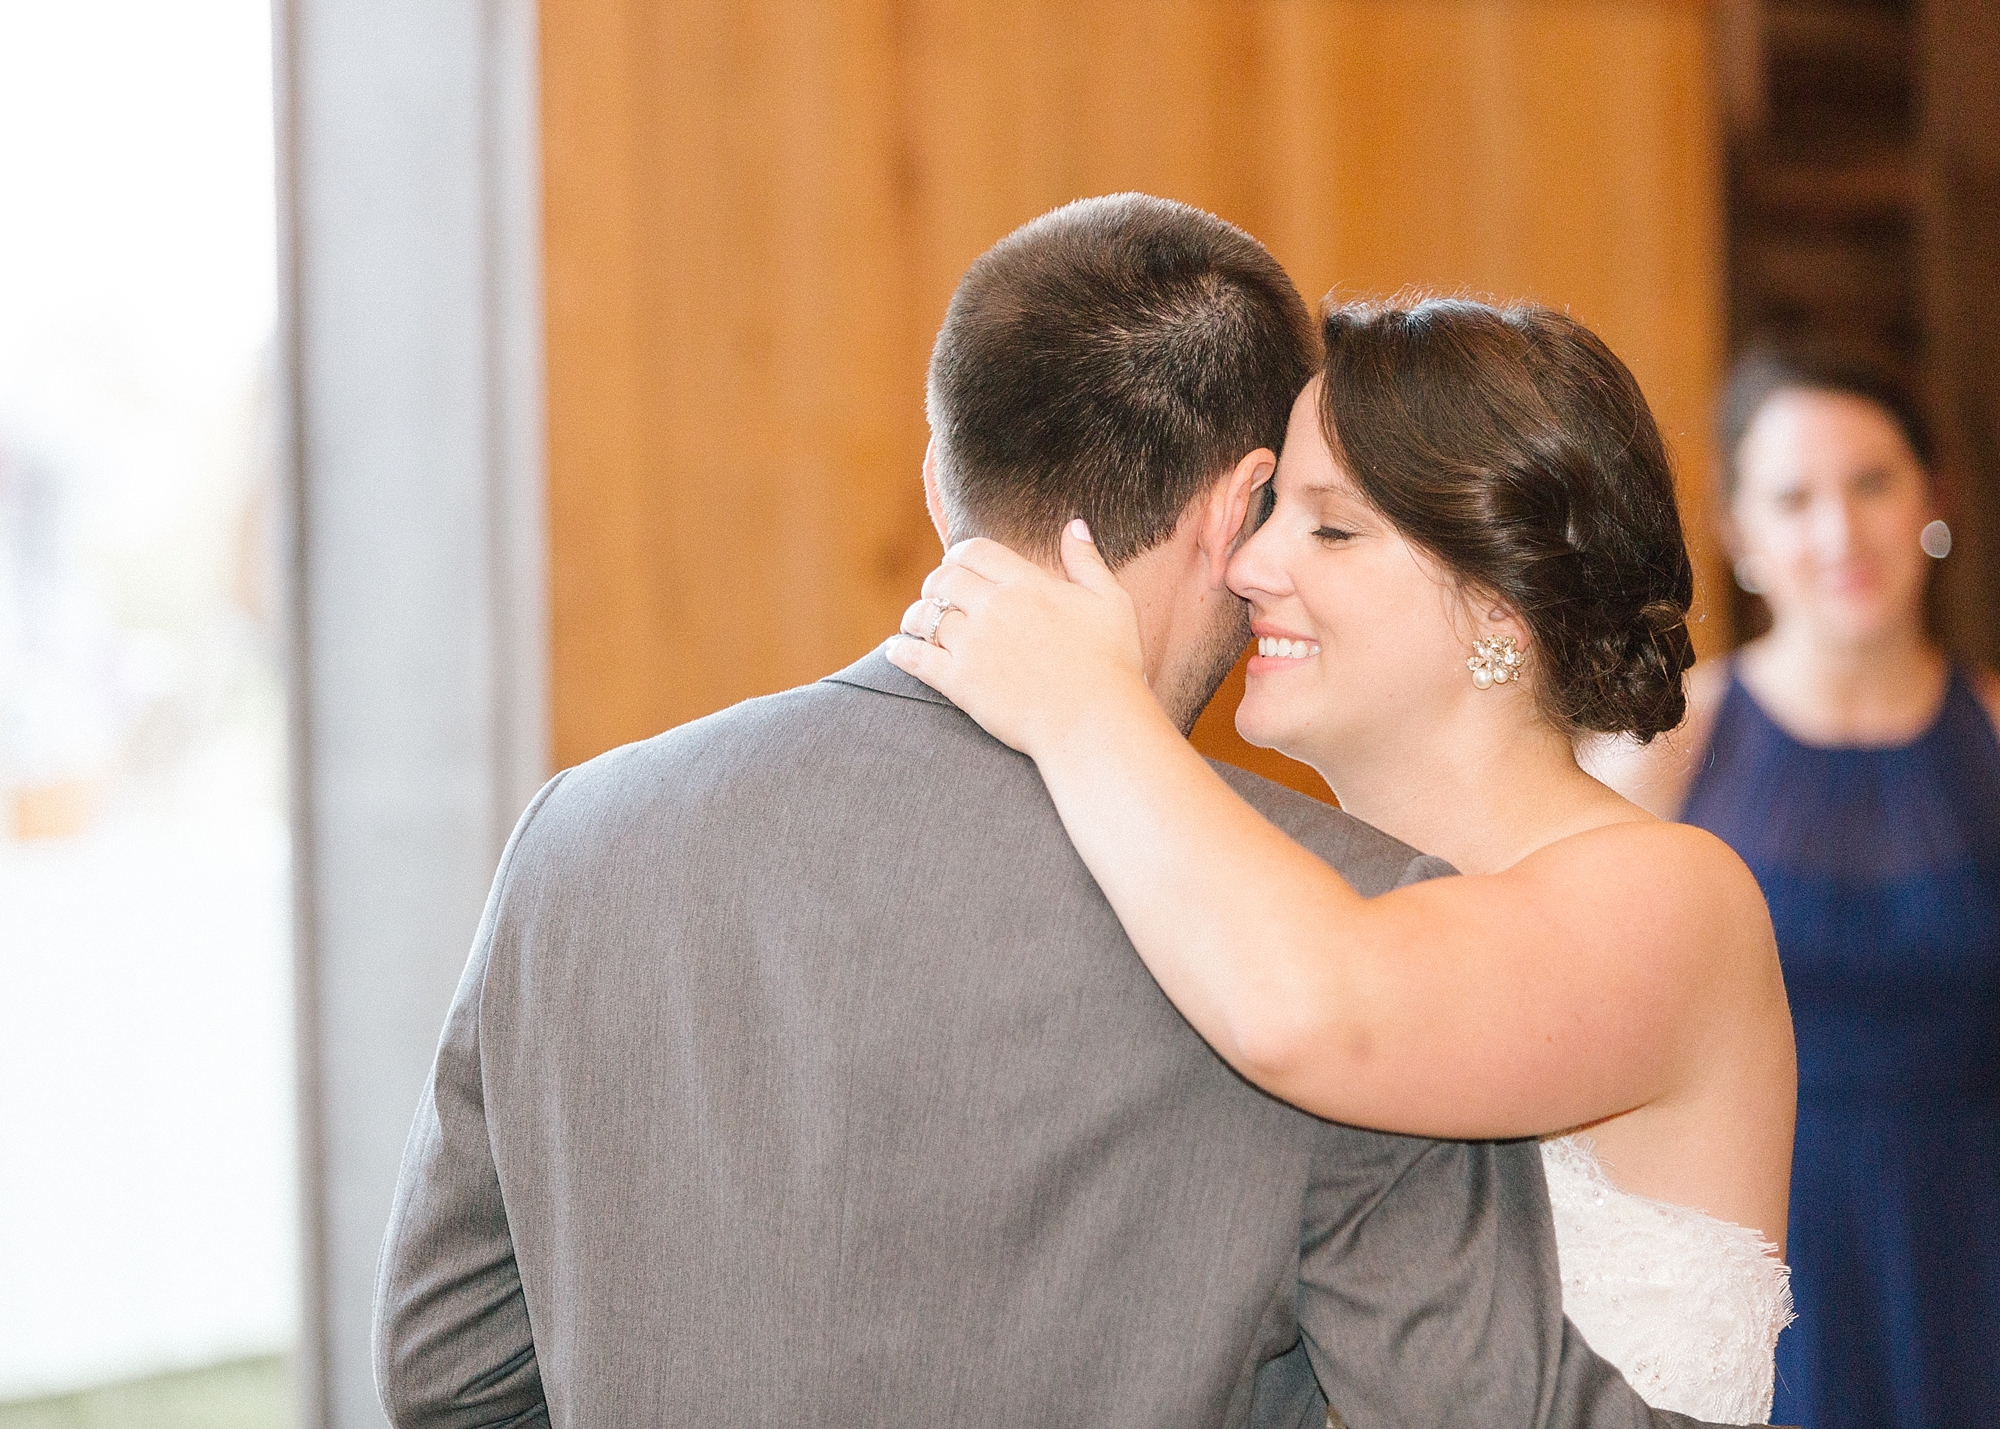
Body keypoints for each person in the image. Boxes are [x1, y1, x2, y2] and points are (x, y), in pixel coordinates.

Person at [373, 198, 1743, 1429]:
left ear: (938, 483)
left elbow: (446, 1374)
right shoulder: (1329, 894)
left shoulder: (581, 835)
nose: (1272, 569)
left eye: (1332, 529)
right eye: (1286, 518)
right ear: (1231, 514)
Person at [889, 294, 1798, 1423]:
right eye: (1265, 511)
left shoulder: (1672, 899)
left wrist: (1083, 705)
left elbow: (1315, 1011)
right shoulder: (1254, 888)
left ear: (1498, 606)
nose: (1248, 562)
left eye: (1328, 526)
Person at [1587, 349, 2000, 1426]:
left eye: (1870, 483)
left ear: (1931, 499)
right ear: (1740, 533)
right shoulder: (1666, 747)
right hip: (1754, 1256)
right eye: (1792, 497)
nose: (1837, 533)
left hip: (1973, 1249)